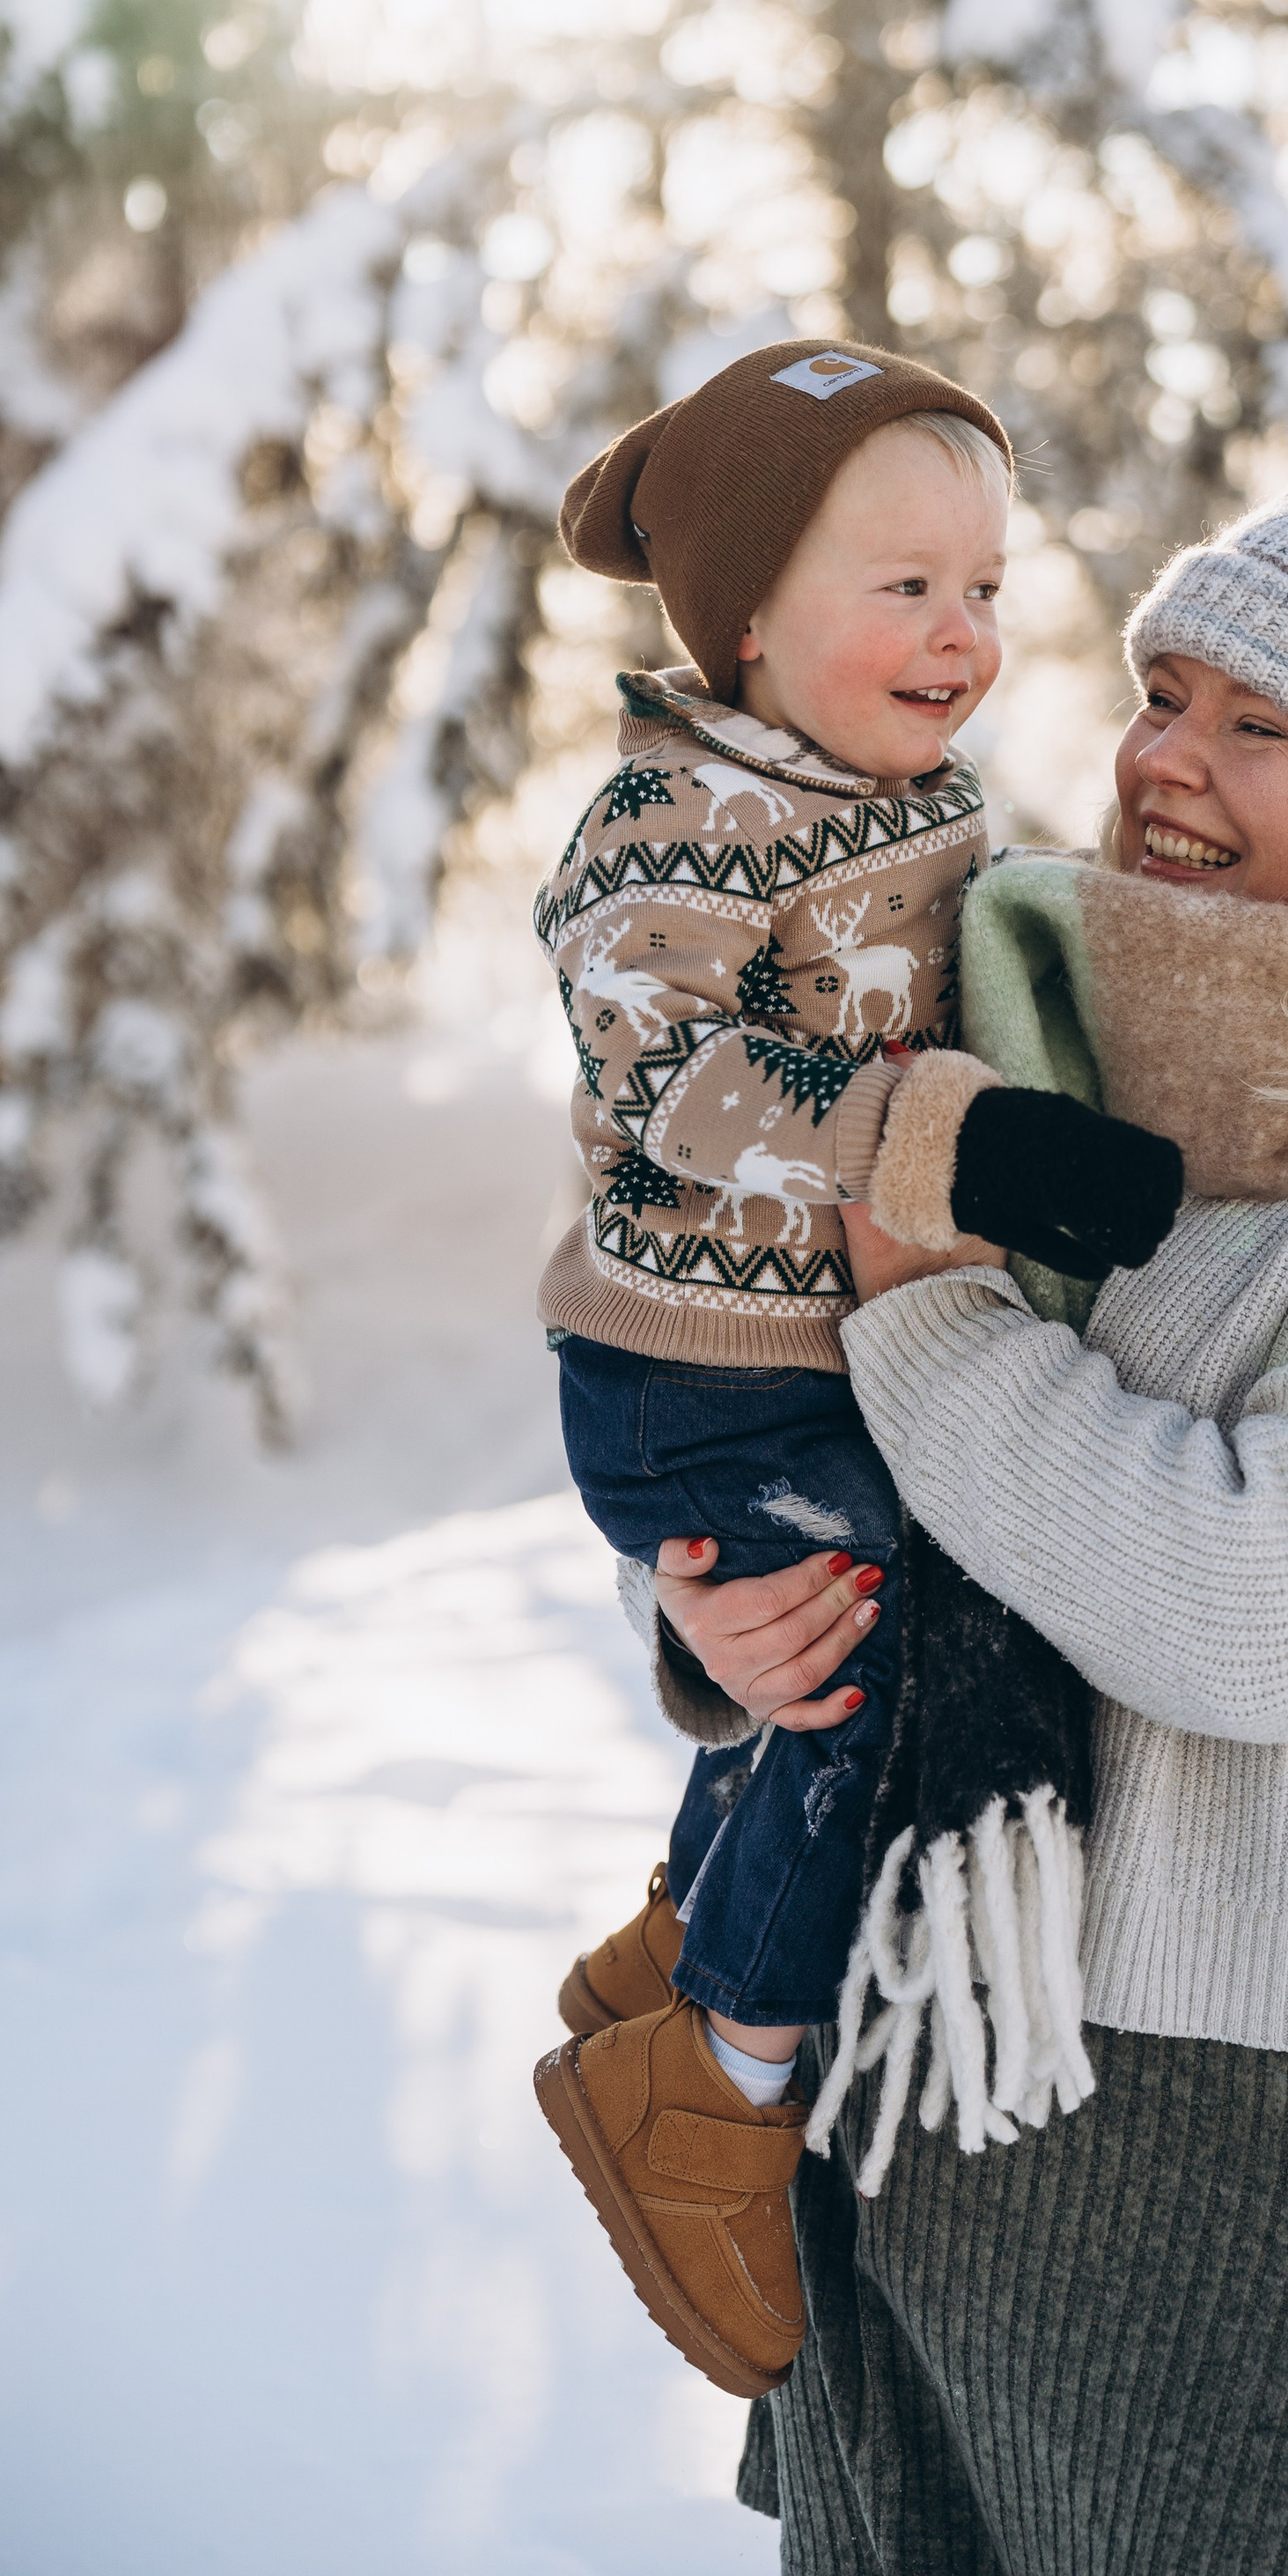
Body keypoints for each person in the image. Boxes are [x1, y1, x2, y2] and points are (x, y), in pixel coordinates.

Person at [609, 353, 1288, 2576]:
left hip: (1254, 2198)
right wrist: (725, 1618)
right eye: (1167, 688)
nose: (1162, 754)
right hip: (913, 2095)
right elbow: (835, 1458)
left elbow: (1255, 1604)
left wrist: (928, 1316)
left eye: (1257, 724)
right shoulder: (1022, 1058)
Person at [529, 338, 1180, 2401]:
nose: (959, 632)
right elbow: (679, 1084)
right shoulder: (667, 825)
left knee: (834, 1664)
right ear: (740, 618)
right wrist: (959, 1144)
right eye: (901, 585)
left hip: (797, 1366)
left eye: (982, 586)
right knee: (855, 1679)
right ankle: (714, 2076)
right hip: (690, 1373)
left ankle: (672, 1949)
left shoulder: (901, 804)